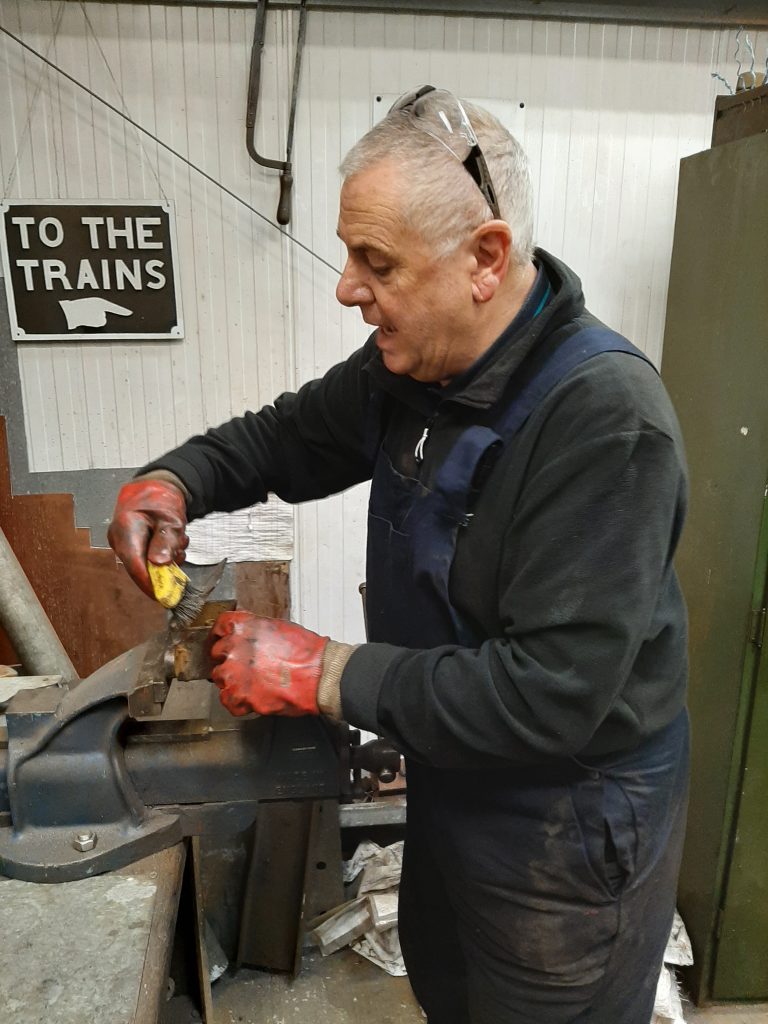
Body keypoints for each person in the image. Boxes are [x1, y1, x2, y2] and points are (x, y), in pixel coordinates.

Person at [108, 87, 689, 1024]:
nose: (345, 285)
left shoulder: (603, 419)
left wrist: (323, 671)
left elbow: (550, 692)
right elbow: (283, 437)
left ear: (485, 260)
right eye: (350, 254)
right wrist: (174, 481)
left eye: (375, 261)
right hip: (457, 782)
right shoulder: (412, 367)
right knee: (450, 991)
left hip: (568, 830)